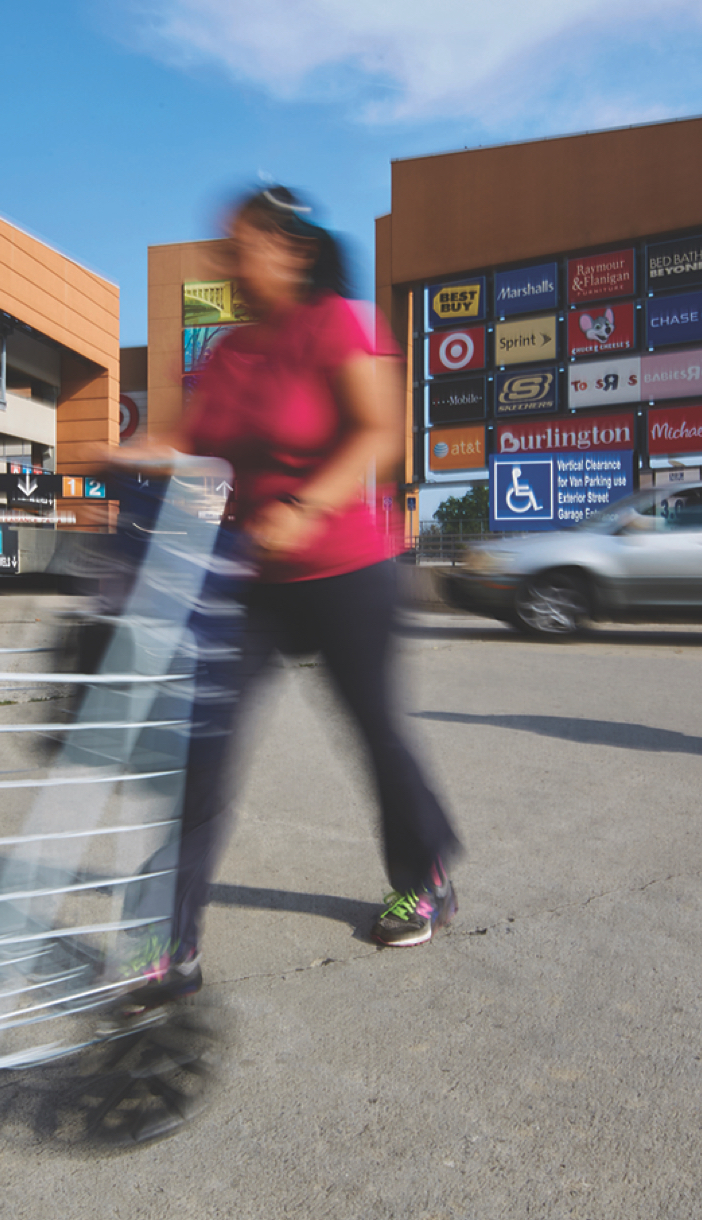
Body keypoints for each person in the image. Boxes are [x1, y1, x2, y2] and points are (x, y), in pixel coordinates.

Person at [131, 185, 463, 1007]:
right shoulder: (233, 351)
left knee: (374, 733)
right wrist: (121, 448)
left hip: (347, 567)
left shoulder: (341, 324)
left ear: (292, 250)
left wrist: (307, 506)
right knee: (201, 744)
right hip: (254, 577)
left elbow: (378, 432)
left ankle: (422, 877)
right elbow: (190, 438)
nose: (228, 265)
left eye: (239, 248)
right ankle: (172, 937)